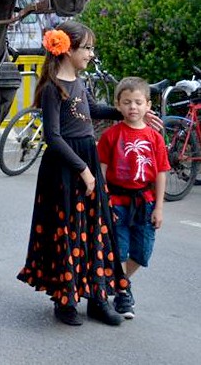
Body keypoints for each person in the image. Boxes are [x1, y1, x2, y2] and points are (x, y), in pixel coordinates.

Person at [17, 21, 129, 327]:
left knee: (95, 229)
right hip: (65, 170)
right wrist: (84, 172)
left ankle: (97, 298)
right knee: (66, 229)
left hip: (86, 159)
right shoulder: (53, 88)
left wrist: (127, 111)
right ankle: (64, 299)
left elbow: (93, 110)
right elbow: (52, 137)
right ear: (67, 50)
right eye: (88, 48)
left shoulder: (80, 82)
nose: (92, 54)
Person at [97, 77, 169, 320]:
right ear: (118, 105)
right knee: (119, 251)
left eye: (138, 102)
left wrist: (159, 207)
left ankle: (120, 282)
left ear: (148, 105)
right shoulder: (111, 136)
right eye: (127, 102)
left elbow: (160, 172)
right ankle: (123, 293)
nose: (133, 107)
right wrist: (103, 202)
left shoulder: (155, 138)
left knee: (142, 252)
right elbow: (102, 171)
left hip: (145, 204)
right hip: (117, 202)